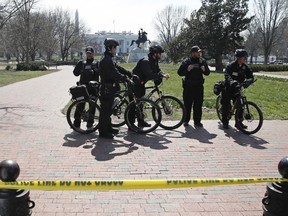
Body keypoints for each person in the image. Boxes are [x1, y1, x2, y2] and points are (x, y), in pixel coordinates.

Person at [98, 38, 132, 139]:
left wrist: (127, 73)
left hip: (109, 88)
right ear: (110, 48)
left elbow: (117, 68)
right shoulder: (107, 60)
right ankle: (103, 132)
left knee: (108, 110)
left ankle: (108, 128)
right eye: (115, 47)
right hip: (106, 89)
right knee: (105, 111)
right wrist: (124, 78)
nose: (116, 49)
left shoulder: (109, 58)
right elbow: (114, 73)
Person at [131, 44, 170, 127]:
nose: (161, 55)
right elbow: (149, 75)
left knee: (140, 103)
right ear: (155, 53)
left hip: (141, 83)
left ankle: (141, 122)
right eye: (159, 53)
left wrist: (162, 74)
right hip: (135, 83)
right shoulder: (146, 61)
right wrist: (161, 76)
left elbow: (157, 70)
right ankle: (131, 124)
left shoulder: (154, 60)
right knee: (134, 104)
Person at [177, 45, 210, 127]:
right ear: (193, 53)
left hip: (199, 86)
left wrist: (204, 70)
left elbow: (208, 73)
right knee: (187, 105)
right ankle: (186, 120)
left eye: (200, 52)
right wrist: (187, 70)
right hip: (189, 86)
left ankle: (197, 121)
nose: (199, 53)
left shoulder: (202, 61)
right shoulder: (187, 61)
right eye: (197, 52)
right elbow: (179, 72)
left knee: (198, 105)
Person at [221, 49, 254, 129]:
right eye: (244, 57)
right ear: (238, 58)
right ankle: (225, 122)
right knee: (226, 105)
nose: (245, 59)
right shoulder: (231, 66)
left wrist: (249, 80)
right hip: (228, 88)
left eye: (245, 57)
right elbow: (227, 75)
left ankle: (239, 123)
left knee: (240, 105)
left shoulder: (244, 67)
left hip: (238, 88)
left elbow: (250, 75)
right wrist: (232, 82)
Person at [73, 46, 99, 129]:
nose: (89, 55)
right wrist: (78, 67)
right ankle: (76, 123)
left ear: (93, 53)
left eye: (90, 53)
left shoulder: (97, 63)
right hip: (82, 88)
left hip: (93, 88)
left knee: (92, 106)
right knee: (80, 105)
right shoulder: (82, 63)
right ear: (85, 53)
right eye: (87, 53)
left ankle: (90, 123)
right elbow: (75, 73)